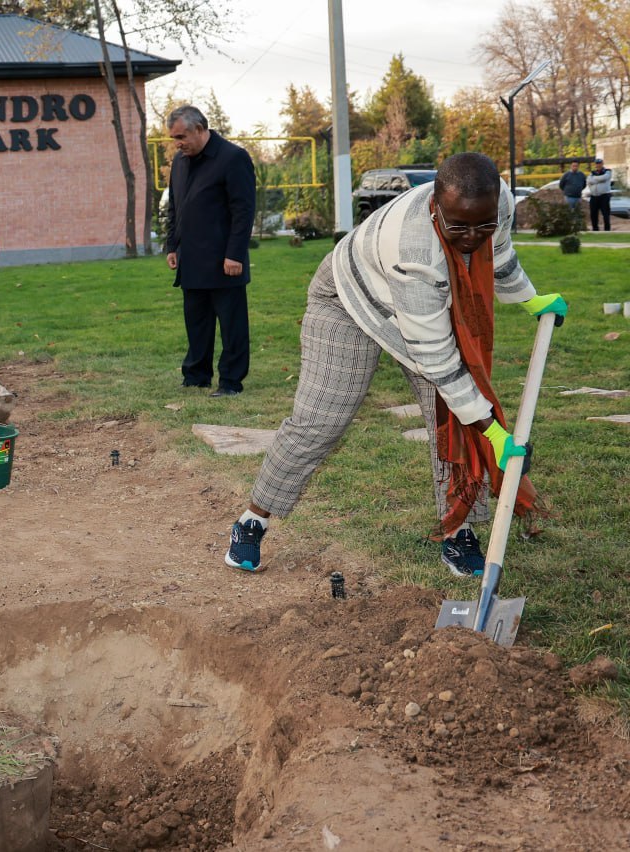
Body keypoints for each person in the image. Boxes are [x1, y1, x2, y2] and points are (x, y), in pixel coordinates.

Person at [223, 153, 567, 578]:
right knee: (321, 420)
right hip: (348, 303)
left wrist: (531, 299)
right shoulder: (413, 249)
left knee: (450, 420)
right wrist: (492, 430)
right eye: (459, 226)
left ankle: (458, 530)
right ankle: (252, 520)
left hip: (423, 306)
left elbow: (499, 252)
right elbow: (436, 357)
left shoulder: (499, 204)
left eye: (483, 224)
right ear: (436, 206)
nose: (472, 237)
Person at [163, 104, 257, 397]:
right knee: (197, 323)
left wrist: (235, 254)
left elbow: (243, 211)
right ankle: (196, 376)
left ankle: (230, 382)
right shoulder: (179, 162)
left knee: (232, 326)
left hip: (224, 260)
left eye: (181, 137)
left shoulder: (233, 158)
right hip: (191, 259)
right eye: (174, 138)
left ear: (200, 129)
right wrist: (172, 245)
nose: (177, 144)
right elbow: (175, 207)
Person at [587, 157, 613, 231]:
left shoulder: (607, 172)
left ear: (602, 164)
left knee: (605, 214)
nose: (598, 165)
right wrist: (598, 179)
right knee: (593, 214)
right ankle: (595, 229)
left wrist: (594, 179)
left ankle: (607, 230)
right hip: (594, 196)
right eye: (596, 164)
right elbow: (589, 180)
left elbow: (604, 178)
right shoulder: (592, 173)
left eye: (599, 163)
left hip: (604, 196)